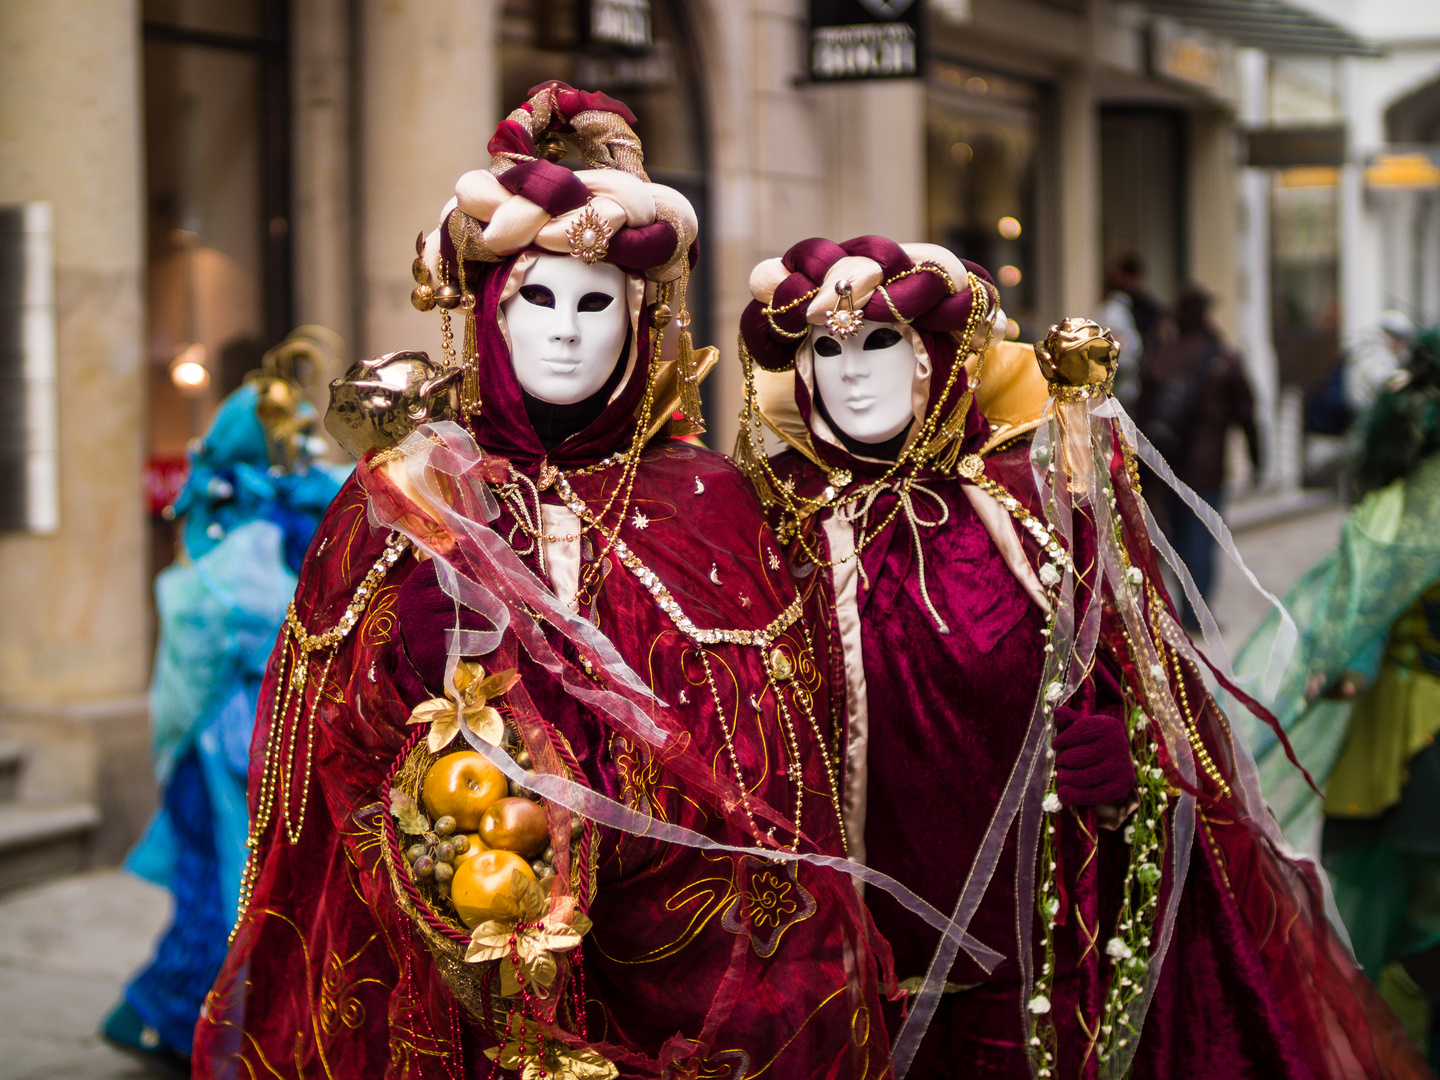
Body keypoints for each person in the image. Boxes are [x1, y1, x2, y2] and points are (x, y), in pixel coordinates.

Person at [192, 83, 892, 1080]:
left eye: (596, 302)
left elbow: (773, 758)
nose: (565, 331)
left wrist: (610, 805)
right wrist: (409, 679)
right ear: (488, 312)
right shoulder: (402, 496)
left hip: (678, 965)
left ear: (642, 323)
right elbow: (312, 748)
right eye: (538, 299)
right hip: (453, 950)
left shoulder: (710, 502)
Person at [733, 235, 1432, 1079]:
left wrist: (1126, 758)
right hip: (849, 964)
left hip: (1040, 947)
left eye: (880, 341)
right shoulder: (771, 525)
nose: (852, 373)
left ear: (937, 356)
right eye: (826, 350)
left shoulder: (1029, 505)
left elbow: (1142, 686)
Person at [102, 344, 348, 1069]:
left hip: (265, 732)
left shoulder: (291, 512)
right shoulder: (234, 534)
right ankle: (176, 1023)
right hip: (228, 739)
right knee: (225, 887)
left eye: (305, 435)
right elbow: (237, 625)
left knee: (253, 889)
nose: (301, 449)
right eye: (286, 439)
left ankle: (195, 1024)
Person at [1238, 326, 1440, 1070]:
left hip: (1409, 749)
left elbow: (1351, 638)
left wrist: (1335, 666)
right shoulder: (1402, 509)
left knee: (1404, 929)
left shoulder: (1396, 508)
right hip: (1411, 746)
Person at [1137, 282, 1259, 627]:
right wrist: (1257, 455)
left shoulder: (1160, 357)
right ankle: (1197, 614)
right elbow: (1246, 412)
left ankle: (1186, 607)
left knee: (1176, 536)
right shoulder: (1222, 357)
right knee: (1201, 537)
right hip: (1207, 465)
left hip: (1167, 462)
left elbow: (1140, 413)